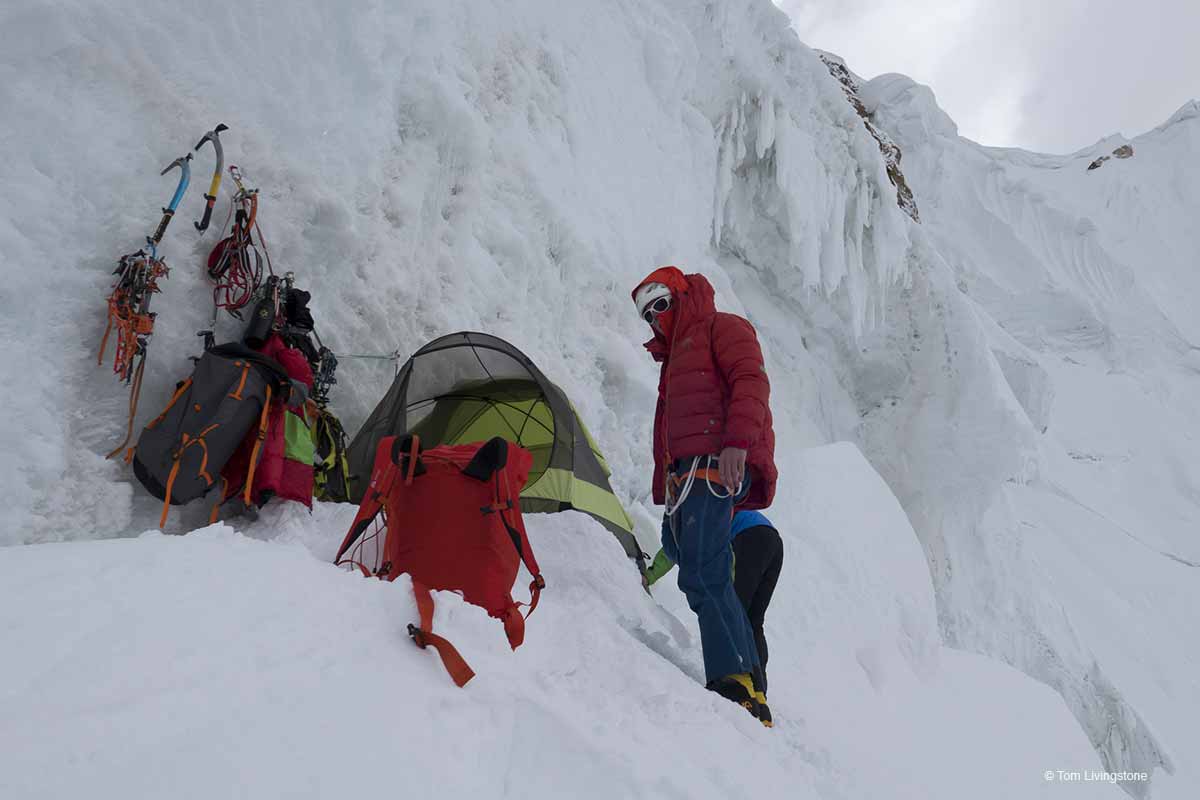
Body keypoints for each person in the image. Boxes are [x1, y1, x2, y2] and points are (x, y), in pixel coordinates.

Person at [632, 266, 777, 726]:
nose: (655, 317)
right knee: (690, 560)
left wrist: (737, 444)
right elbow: (673, 432)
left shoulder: (722, 328)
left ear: (681, 295)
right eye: (647, 313)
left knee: (705, 575)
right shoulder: (673, 362)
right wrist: (669, 479)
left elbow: (750, 382)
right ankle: (749, 679)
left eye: (661, 303)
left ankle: (734, 680)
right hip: (690, 476)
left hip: (716, 466)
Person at [644, 510, 784, 691]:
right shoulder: (703, 509)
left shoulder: (693, 513)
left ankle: (735, 684)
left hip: (748, 536)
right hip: (774, 542)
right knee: (753, 621)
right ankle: (758, 690)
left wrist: (649, 575)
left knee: (733, 612)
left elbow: (673, 548)